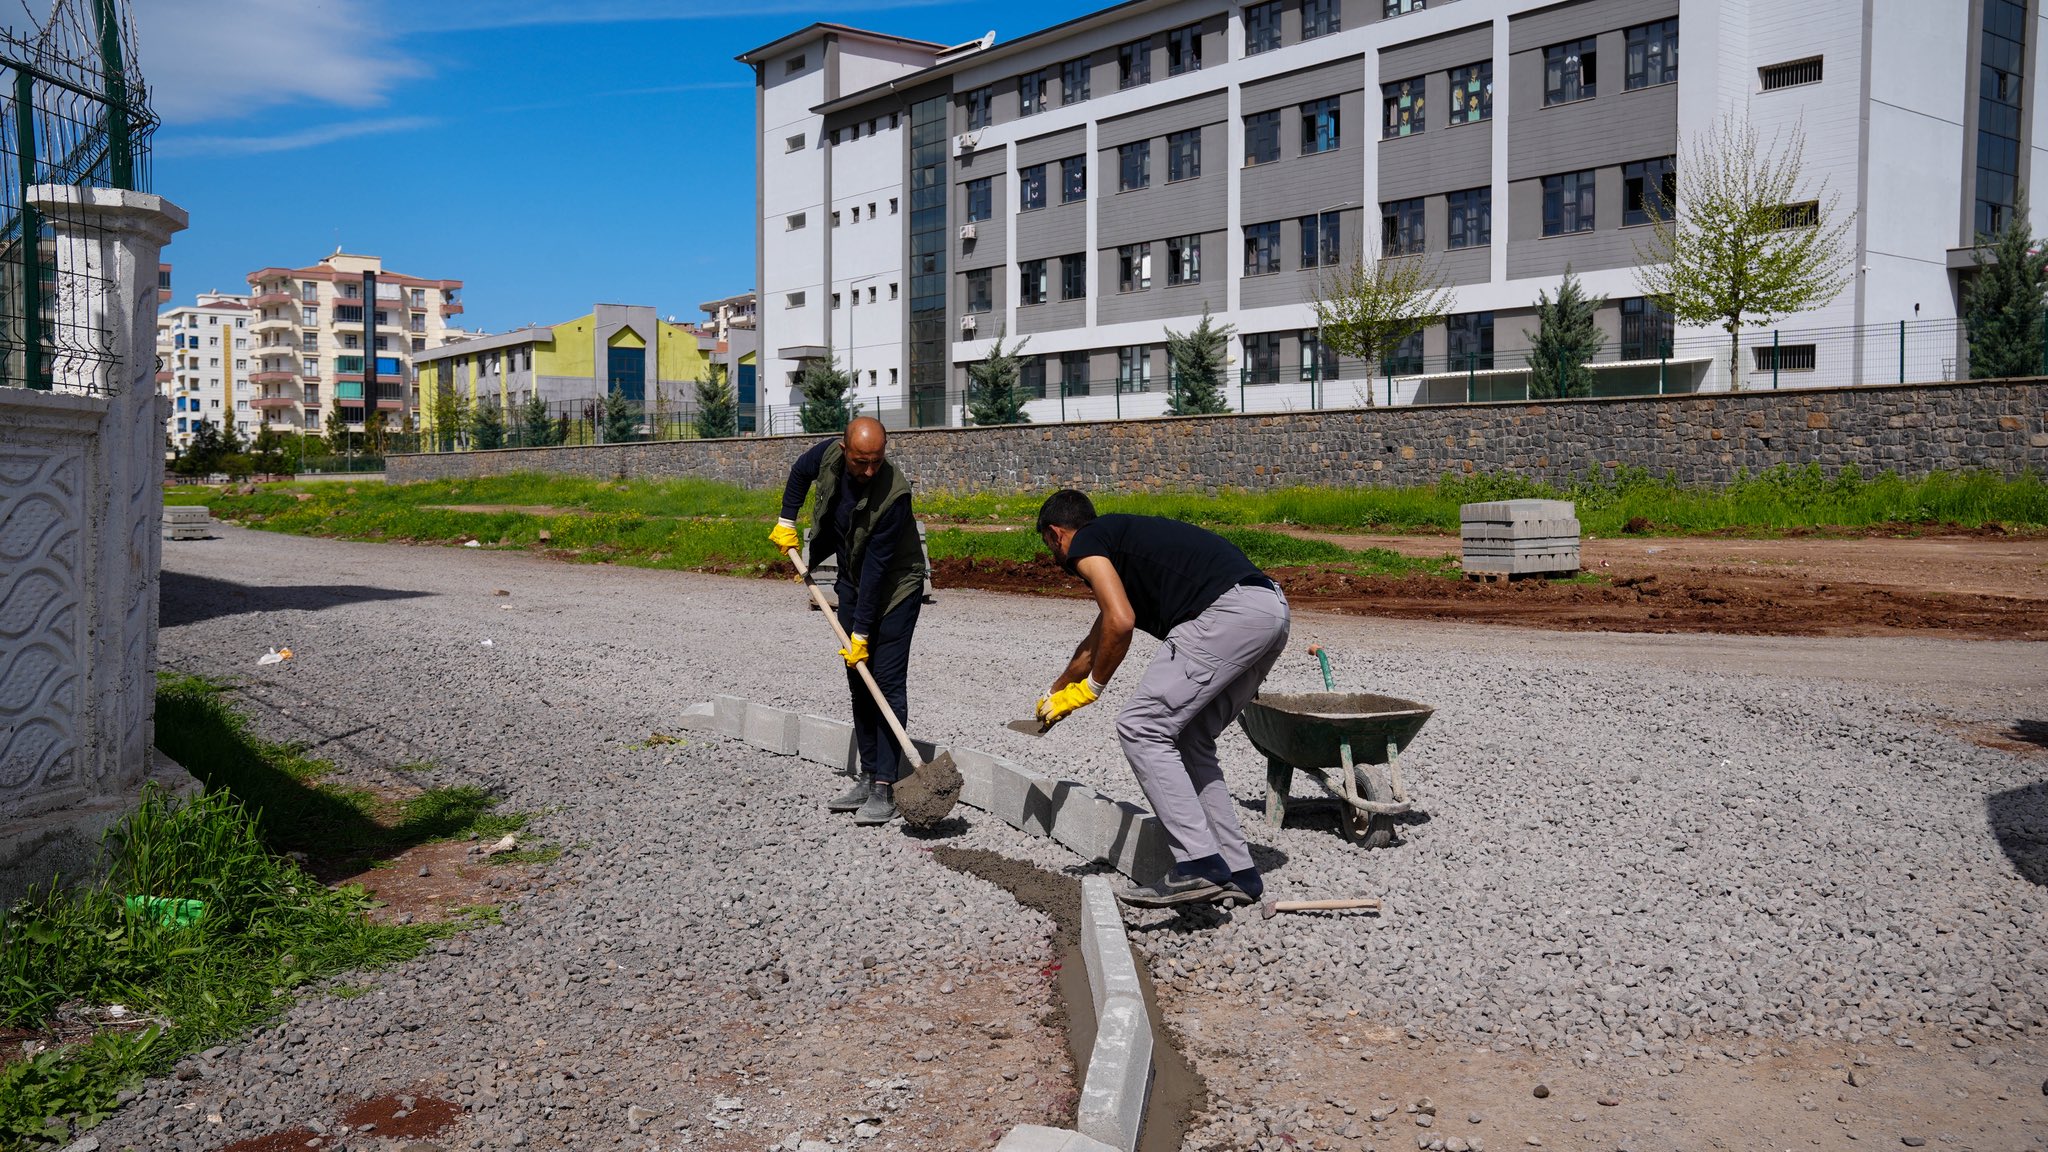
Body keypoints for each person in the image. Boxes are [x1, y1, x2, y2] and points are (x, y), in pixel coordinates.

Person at [1033, 489, 1290, 908]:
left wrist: (1093, 689)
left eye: (1050, 546)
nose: (1057, 557)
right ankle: (1238, 872)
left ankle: (1198, 864)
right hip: (1268, 610)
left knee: (1141, 727)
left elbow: (1122, 622)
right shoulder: (1122, 545)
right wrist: (1058, 689)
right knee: (1190, 738)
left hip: (1226, 613)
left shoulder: (1085, 543)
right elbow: (1096, 639)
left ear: (1055, 534)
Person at [769, 416, 925, 825]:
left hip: (894, 588)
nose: (869, 470)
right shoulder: (827, 456)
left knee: (886, 683)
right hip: (852, 578)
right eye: (861, 462)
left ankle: (886, 786)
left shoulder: (895, 495)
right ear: (844, 450)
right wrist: (787, 520)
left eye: (877, 461)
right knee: (858, 680)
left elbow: (878, 570)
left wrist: (860, 632)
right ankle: (869, 774)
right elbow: (800, 473)